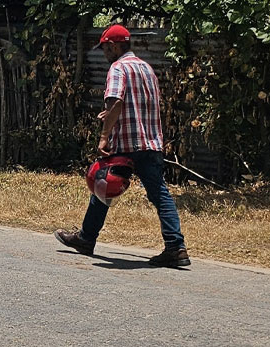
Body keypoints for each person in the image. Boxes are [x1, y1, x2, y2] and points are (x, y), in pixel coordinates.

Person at [55, 25, 190, 266]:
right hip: (151, 142)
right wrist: (109, 113)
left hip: (125, 142)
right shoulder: (147, 68)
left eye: (106, 48)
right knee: (159, 193)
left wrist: (104, 136)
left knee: (103, 183)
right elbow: (139, 104)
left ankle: (86, 239)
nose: (104, 53)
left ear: (115, 46)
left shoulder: (117, 68)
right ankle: (176, 248)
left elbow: (116, 101)